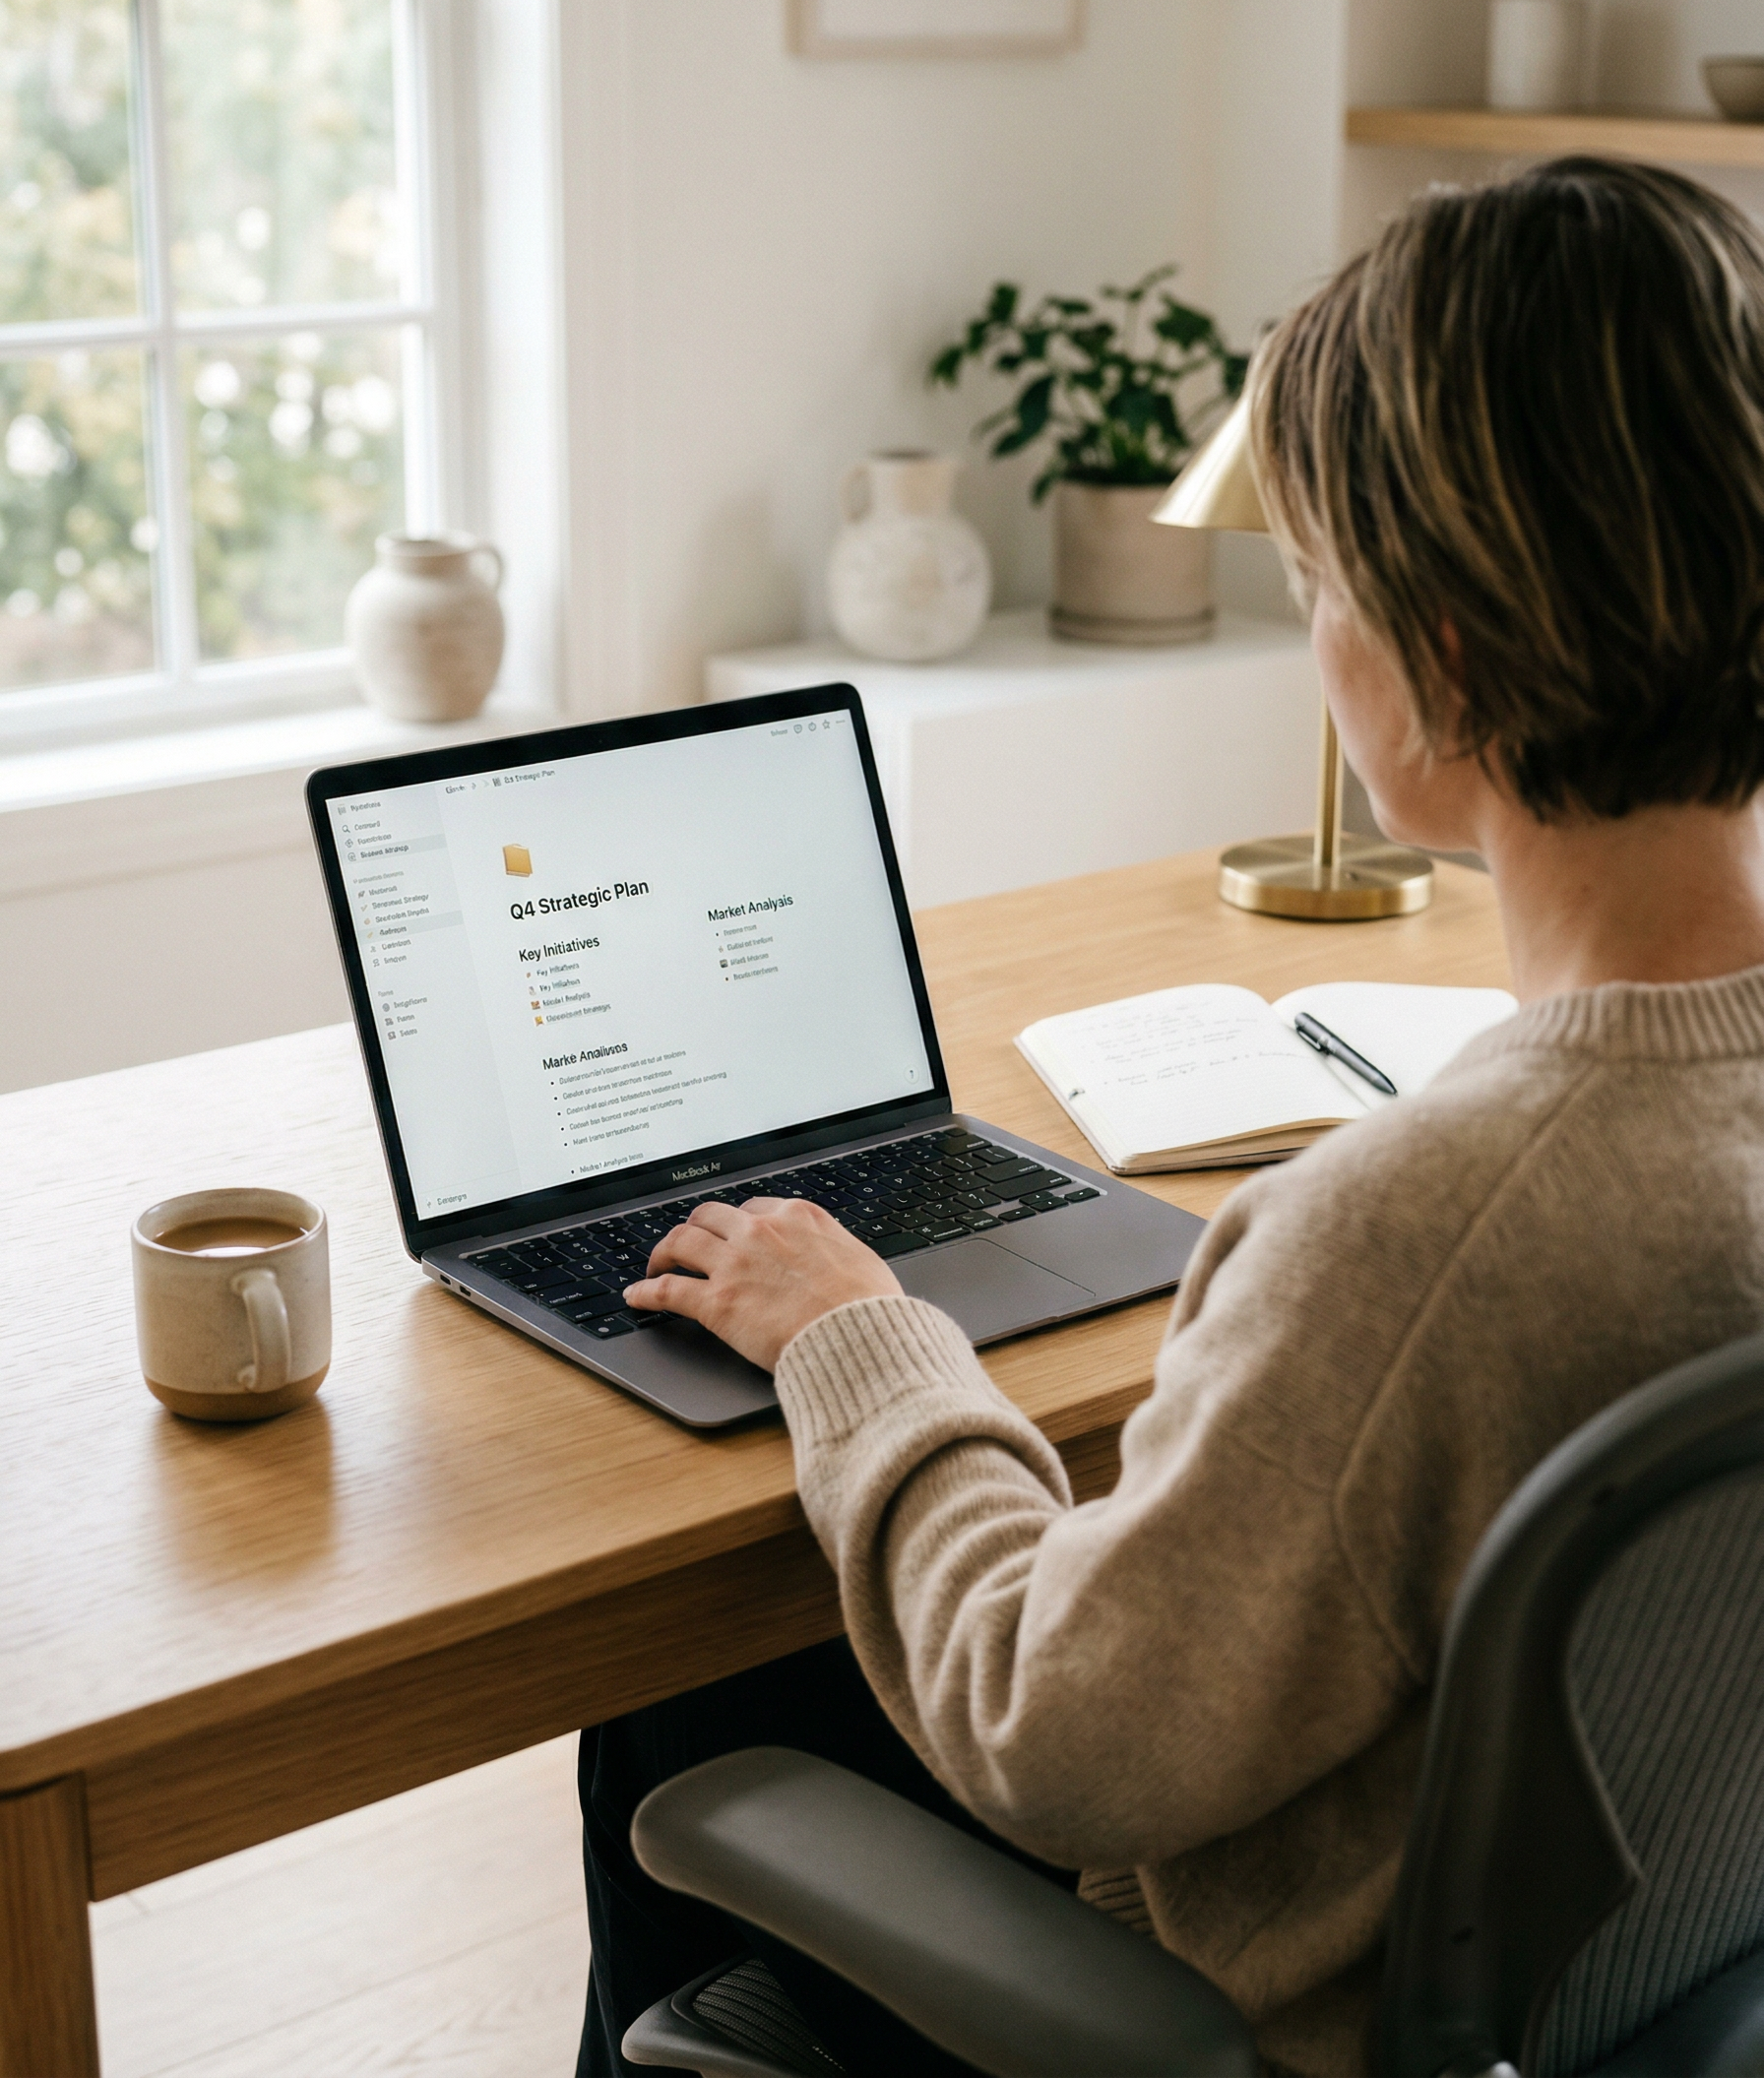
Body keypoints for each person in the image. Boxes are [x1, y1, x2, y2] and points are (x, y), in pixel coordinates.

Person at [577, 157, 1764, 2078]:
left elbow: (1055, 1734)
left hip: (1272, 2018)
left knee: (688, 1698)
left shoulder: (1417, 1227)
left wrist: (861, 1340)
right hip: (1639, 1997)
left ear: (1436, 658)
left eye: (1315, 587)